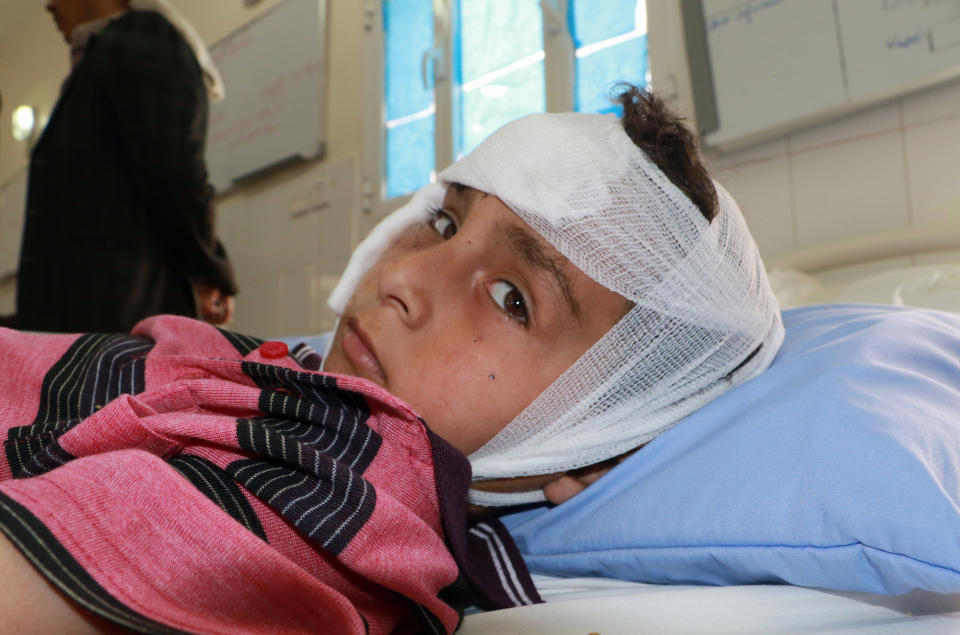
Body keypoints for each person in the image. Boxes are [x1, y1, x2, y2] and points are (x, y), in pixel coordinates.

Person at [0, 87, 782, 632]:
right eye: (443, 224)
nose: (402, 275)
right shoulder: (295, 380)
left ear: (590, 438)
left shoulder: (331, 506)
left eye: (512, 298)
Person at [14, 0, 237, 333]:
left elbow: (174, 172)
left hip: (116, 321)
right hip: (92, 324)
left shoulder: (145, 36)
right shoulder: (105, 53)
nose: (48, 5)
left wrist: (209, 272)